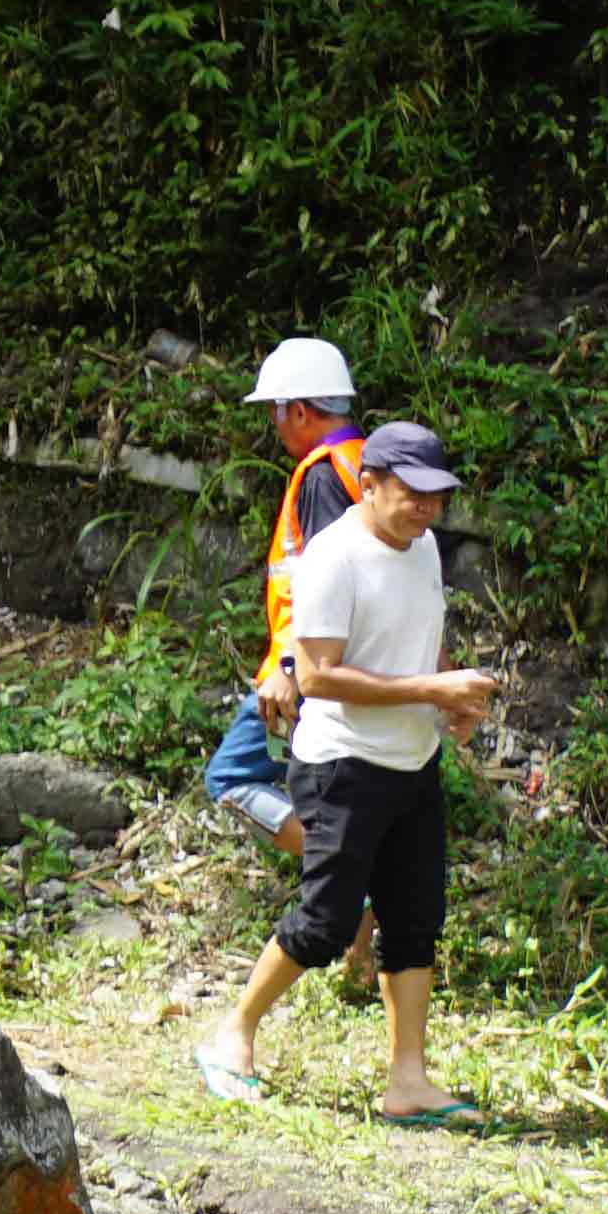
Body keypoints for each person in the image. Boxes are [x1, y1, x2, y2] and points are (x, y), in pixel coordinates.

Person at [198, 421, 498, 1128]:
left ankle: (409, 1081)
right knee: (328, 920)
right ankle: (233, 1033)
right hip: (340, 763)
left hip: (410, 761)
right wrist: (432, 692)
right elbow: (321, 677)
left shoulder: (423, 548)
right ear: (369, 484)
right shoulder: (334, 558)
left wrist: (449, 709)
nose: (426, 509)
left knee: (416, 918)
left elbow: (417, 642)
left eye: (437, 496)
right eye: (410, 493)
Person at [201, 338, 370, 854]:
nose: (274, 425)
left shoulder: (321, 477)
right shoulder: (365, 464)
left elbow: (324, 584)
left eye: (276, 410)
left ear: (300, 410)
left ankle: (347, 872)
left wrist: (291, 669)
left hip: (308, 671)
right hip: (353, 666)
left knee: (228, 778)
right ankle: (356, 896)